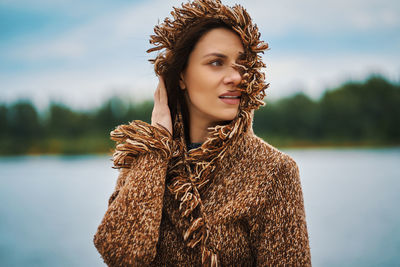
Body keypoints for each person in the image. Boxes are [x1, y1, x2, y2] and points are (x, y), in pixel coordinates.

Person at [93, 0, 311, 266]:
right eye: (217, 62)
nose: (236, 77)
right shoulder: (147, 160)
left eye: (242, 64)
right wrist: (158, 143)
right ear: (181, 76)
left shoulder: (274, 171)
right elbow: (120, 254)